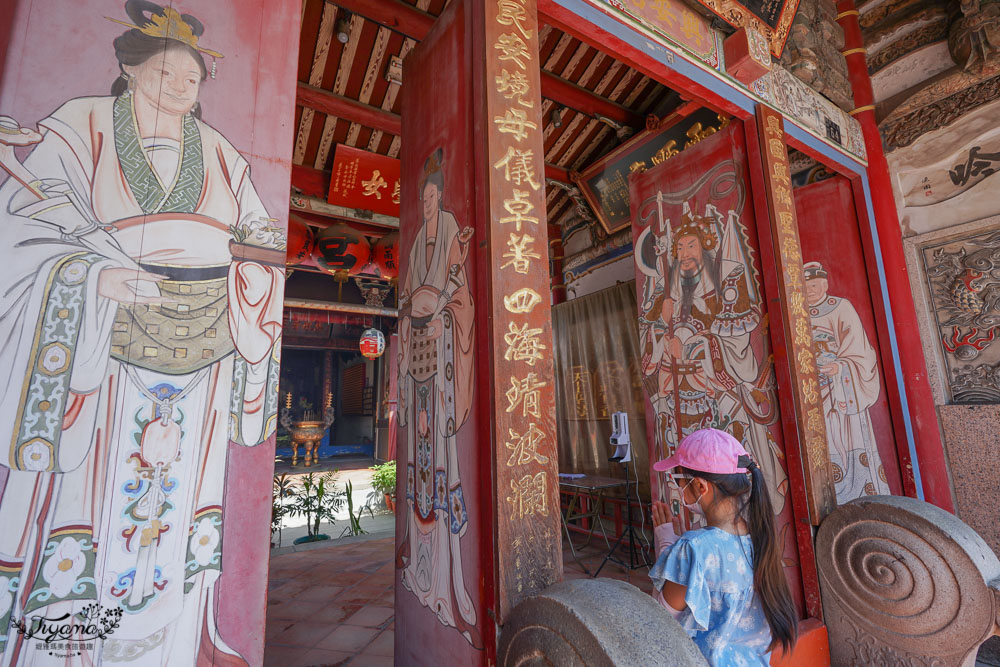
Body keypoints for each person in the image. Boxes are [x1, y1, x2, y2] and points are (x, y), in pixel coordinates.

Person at [0, 3, 283, 664]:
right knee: (90, 504)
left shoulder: (218, 151)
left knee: (179, 508)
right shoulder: (82, 125)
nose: (184, 88)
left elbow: (260, 231)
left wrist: (256, 269)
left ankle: (174, 639)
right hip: (106, 346)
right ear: (128, 70)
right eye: (168, 73)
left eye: (193, 78)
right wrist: (90, 278)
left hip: (204, 349)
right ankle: (66, 646)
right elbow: (26, 223)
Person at [395, 148, 480, 647]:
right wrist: (411, 319)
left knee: (442, 466)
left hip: (442, 368)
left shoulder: (450, 233)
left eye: (431, 195)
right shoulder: (413, 250)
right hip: (418, 368)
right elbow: (407, 300)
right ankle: (419, 575)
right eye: (422, 196)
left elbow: (461, 299)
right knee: (417, 472)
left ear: (440, 198)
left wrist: (446, 291)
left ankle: (449, 585)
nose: (427, 203)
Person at [649, 428, 798, 666]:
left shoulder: (693, 549)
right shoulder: (760, 539)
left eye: (678, 480)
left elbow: (661, 618)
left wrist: (666, 540)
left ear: (700, 486)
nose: (677, 489)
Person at [804, 262, 890, 502]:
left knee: (845, 434)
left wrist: (840, 367)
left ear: (824, 284)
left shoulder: (841, 307)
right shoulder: (797, 312)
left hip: (842, 386)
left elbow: (860, 350)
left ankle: (858, 486)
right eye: (806, 285)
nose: (810, 290)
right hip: (813, 386)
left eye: (814, 285)